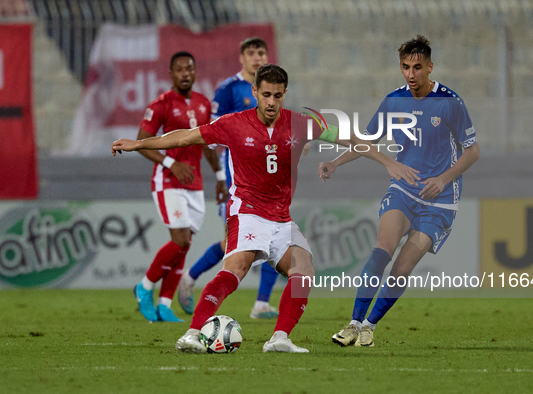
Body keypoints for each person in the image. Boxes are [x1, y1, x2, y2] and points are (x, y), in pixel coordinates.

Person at [112, 64, 406, 353]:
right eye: (266, 95)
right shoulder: (233, 124)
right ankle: (192, 333)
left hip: (281, 218)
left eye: (278, 96)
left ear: (285, 94)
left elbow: (349, 137)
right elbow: (185, 136)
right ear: (254, 91)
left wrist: (388, 161)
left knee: (304, 270)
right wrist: (139, 144)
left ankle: (279, 338)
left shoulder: (298, 124)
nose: (271, 102)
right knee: (235, 269)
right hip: (248, 213)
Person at [322, 35, 480, 348]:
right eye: (405, 67)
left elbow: (472, 151)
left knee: (401, 268)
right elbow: (368, 140)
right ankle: (354, 324)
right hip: (404, 190)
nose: (411, 73)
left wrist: (445, 178)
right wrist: (337, 162)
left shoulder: (450, 102)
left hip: (439, 202)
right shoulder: (394, 101)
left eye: (417, 67)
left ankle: (370, 325)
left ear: (430, 67)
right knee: (382, 251)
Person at [177, 37, 281, 320]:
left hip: (268, 182)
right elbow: (210, 136)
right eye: (251, 53)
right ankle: (190, 277)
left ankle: (261, 304)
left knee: (274, 238)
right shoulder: (227, 90)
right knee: (230, 245)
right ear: (241, 58)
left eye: (261, 52)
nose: (257, 57)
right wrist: (221, 177)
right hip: (238, 182)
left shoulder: (269, 90)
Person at [132, 51, 227, 323]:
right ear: (171, 74)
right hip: (169, 180)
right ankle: (145, 287)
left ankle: (164, 304)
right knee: (180, 240)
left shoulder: (203, 104)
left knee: (185, 245)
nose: (185, 73)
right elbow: (141, 142)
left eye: (190, 68)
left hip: (194, 183)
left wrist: (219, 176)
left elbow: (207, 144)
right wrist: (171, 164)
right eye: (180, 69)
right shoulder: (162, 104)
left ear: (195, 72)